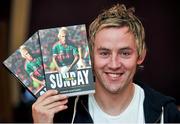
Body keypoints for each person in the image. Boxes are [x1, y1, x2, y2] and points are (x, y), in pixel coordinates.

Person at [32, 4, 180, 123]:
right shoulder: (61, 114)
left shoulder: (167, 113)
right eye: (104, 53)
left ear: (140, 56)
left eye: (125, 53)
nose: (114, 64)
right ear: (90, 56)